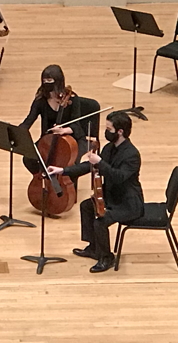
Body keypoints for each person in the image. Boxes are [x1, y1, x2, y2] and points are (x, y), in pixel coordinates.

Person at [48, 111, 144, 273]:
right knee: (86, 206)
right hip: (112, 195)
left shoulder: (132, 154)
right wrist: (62, 170)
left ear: (120, 132)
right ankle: (94, 247)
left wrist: (100, 162)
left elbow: (119, 177)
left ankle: (107, 257)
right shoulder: (109, 148)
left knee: (101, 220)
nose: (106, 132)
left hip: (128, 203)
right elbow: (89, 166)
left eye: (109, 129)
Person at [20, 64, 88, 180]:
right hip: (48, 139)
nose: (47, 83)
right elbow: (29, 120)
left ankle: (68, 186)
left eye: (50, 80)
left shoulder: (72, 98)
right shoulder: (41, 100)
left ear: (58, 81)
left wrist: (63, 130)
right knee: (28, 158)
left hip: (73, 138)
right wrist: (17, 131)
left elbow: (77, 125)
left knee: (72, 164)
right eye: (44, 80)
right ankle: (46, 179)